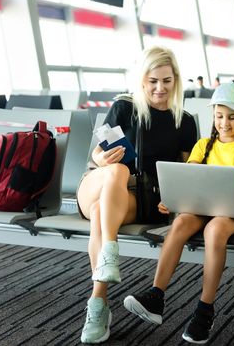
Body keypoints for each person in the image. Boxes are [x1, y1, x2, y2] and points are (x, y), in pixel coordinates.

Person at [123, 83, 234, 344]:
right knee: (181, 223)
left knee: (215, 230)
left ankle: (204, 309)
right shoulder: (203, 145)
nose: (224, 123)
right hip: (204, 208)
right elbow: (189, 180)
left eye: (232, 117)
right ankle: (156, 295)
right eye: (219, 116)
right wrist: (172, 201)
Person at [77, 45, 198, 344]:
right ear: (142, 79)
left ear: (176, 80)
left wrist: (175, 198)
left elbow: (187, 170)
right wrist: (103, 160)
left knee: (99, 217)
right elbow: (96, 154)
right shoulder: (124, 108)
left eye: (166, 81)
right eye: (153, 80)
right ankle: (110, 254)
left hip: (142, 198)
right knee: (116, 172)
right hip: (100, 183)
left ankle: (98, 303)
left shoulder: (184, 121)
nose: (159, 88)